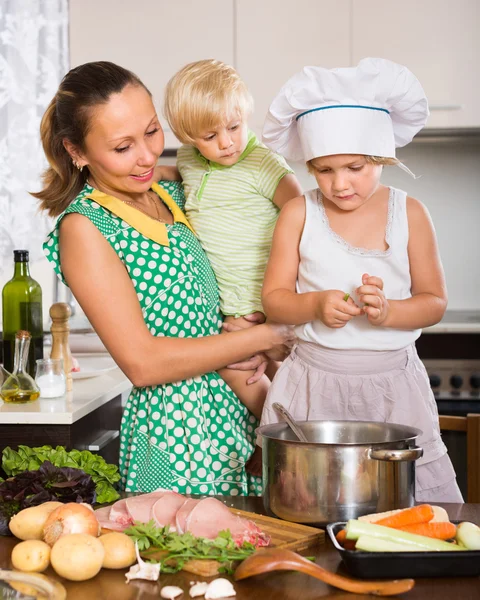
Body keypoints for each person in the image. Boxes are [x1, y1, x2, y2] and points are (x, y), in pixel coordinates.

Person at [33, 61, 294, 496]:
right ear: (76, 151)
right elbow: (143, 363)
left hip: (246, 420)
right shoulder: (86, 228)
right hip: (181, 441)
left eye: (152, 131)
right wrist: (267, 335)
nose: (148, 156)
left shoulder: (175, 186)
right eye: (122, 147)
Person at [259, 58, 463, 502]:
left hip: (394, 387)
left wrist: (389, 311)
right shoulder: (299, 213)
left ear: (381, 157)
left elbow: (433, 301)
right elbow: (274, 301)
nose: (340, 184)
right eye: (324, 170)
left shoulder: (409, 213)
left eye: (355, 167)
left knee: (411, 508)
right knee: (314, 506)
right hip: (313, 383)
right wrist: (313, 305)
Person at [161, 59, 303, 420]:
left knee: (280, 381)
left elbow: (305, 218)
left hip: (270, 300)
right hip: (231, 307)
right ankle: (274, 446)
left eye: (234, 127)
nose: (226, 143)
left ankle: (274, 445)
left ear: (245, 113)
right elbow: (185, 176)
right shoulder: (189, 159)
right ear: (188, 137)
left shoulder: (263, 163)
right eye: (209, 137)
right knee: (253, 372)